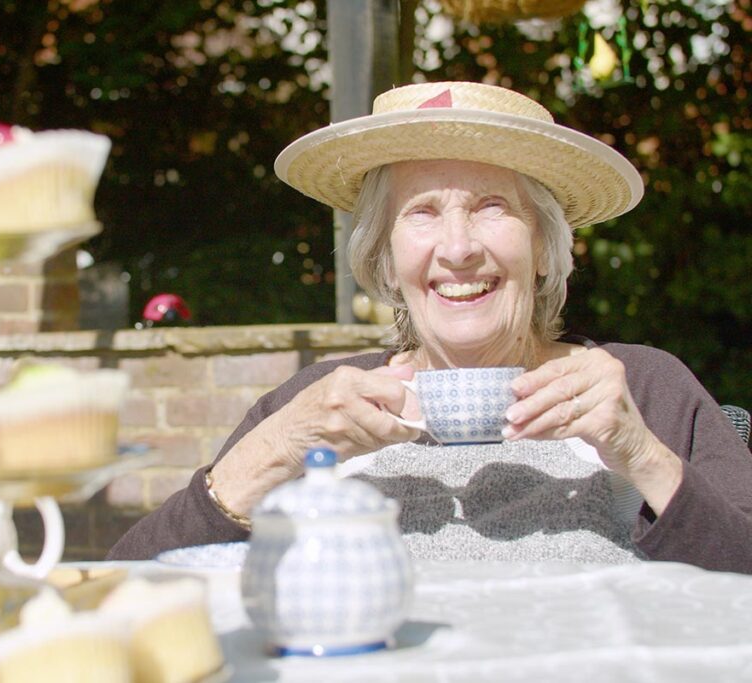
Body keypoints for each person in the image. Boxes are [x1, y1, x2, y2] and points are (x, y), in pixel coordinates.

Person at [107, 81, 752, 573]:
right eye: (422, 213)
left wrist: (641, 454)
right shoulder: (318, 405)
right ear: (384, 257)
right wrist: (269, 453)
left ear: (548, 248)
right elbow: (126, 591)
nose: (458, 248)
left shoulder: (640, 387)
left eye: (492, 208)